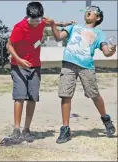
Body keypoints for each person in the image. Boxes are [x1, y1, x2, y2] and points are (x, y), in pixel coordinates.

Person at [3, 1, 75, 145]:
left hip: (35, 66)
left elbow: (49, 23)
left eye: (38, 20)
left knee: (32, 97)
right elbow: (9, 45)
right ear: (27, 17)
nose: (36, 23)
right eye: (32, 20)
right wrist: (20, 60)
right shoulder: (19, 27)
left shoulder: (41, 21)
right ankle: (16, 129)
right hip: (19, 66)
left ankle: (26, 129)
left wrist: (64, 23)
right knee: (20, 96)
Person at [49, 6, 116, 144]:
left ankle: (106, 119)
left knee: (94, 95)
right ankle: (65, 128)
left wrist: (112, 51)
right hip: (68, 63)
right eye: (87, 10)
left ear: (97, 18)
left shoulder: (99, 33)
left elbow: (106, 52)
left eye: (92, 11)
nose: (88, 12)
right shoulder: (74, 26)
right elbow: (57, 38)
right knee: (65, 95)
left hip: (86, 67)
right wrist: (52, 25)